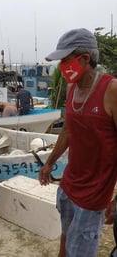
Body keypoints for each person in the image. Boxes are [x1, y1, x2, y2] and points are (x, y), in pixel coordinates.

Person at [38, 28, 117, 257]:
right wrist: (49, 163)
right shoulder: (72, 89)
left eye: (65, 59)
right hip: (69, 184)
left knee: (80, 250)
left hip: (94, 195)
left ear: (84, 59)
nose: (61, 65)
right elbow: (68, 132)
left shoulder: (111, 90)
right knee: (66, 236)